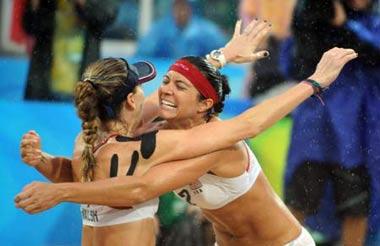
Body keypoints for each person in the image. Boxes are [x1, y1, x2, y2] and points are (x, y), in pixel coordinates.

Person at [17, 23, 357, 246]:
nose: (165, 90)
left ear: (203, 104)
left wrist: (313, 83)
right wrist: (221, 56)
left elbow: (250, 124)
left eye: (179, 86)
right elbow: (134, 107)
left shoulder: (214, 143)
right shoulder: (158, 128)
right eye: (165, 81)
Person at [284, 0, 380, 245]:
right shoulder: (311, 13)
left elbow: (374, 53)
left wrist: (344, 26)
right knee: (298, 201)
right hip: (314, 127)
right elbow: (298, 64)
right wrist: (322, 20)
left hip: (355, 132)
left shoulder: (372, 20)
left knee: (356, 206)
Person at [22, 0, 119, 101]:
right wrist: (34, 5)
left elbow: (107, 15)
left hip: (83, 84)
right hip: (44, 83)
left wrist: (82, 3)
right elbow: (29, 26)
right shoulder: (48, 4)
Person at [136, 0, 227, 58]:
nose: (180, 11)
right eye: (177, 6)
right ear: (171, 8)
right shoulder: (159, 31)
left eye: (184, 6)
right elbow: (143, 56)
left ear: (191, 8)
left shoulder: (208, 32)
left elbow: (222, 57)